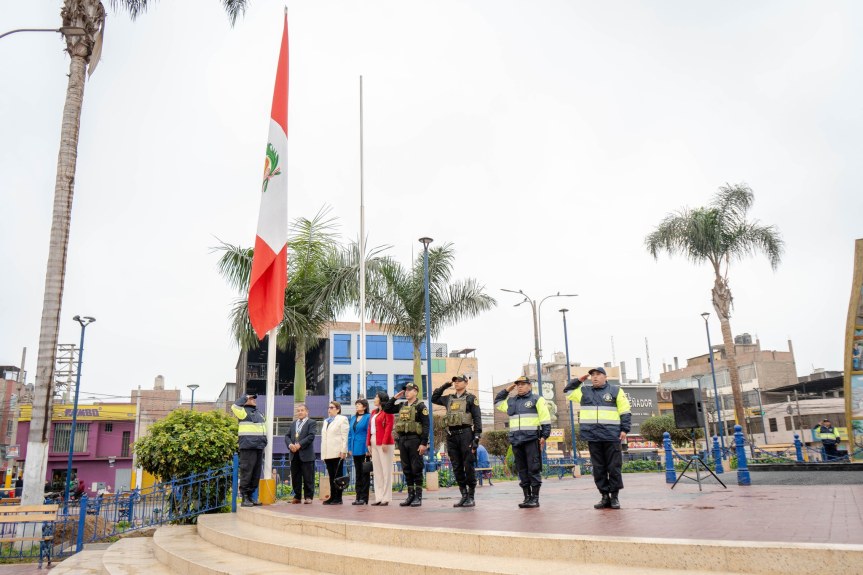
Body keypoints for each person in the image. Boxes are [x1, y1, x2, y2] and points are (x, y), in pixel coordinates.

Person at [564, 367, 631, 510]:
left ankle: (614, 497)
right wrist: (578, 380)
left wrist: (624, 429)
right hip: (593, 436)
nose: (595, 377)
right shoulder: (584, 391)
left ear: (605, 377)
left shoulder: (616, 391)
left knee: (614, 467)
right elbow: (567, 391)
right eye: (592, 375)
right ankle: (604, 496)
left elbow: (625, 411)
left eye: (598, 374)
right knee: (598, 469)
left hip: (611, 435)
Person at [494, 376, 551, 508]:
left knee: (533, 469)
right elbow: (497, 402)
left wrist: (544, 436)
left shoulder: (537, 399)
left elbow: (545, 418)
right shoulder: (511, 401)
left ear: (529, 386)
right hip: (516, 441)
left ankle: (535, 499)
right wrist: (508, 389)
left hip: (531, 439)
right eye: (518, 384)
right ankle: (527, 497)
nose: (520, 386)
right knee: (522, 470)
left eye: (523, 384)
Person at [432, 374, 482, 507]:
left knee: (468, 466)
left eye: (459, 381)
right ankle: (463, 495)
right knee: (456, 467)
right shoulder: (449, 398)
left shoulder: (471, 398)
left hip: (466, 434)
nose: (456, 383)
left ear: (466, 383)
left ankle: (471, 496)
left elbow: (477, 418)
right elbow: (434, 398)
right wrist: (446, 385)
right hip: (452, 436)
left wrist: (476, 437)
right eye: (455, 381)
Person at [384, 382, 429, 507]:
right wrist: (394, 398)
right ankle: (410, 495)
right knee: (406, 469)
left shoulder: (421, 407)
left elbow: (426, 426)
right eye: (406, 390)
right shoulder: (402, 405)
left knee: (416, 468)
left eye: (409, 390)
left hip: (415, 440)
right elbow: (387, 409)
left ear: (416, 391)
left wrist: (423, 443)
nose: (407, 392)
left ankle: (418, 497)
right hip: (403, 440)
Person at [231, 391, 267, 507]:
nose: (254, 400)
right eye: (251, 398)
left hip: (259, 446)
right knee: (247, 472)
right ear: (246, 400)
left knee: (256, 473)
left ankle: (251, 496)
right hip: (248, 446)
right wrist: (245, 397)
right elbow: (234, 406)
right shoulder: (242, 412)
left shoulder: (259, 413)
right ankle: (244, 498)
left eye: (254, 398)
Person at [285, 403, 317, 504]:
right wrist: (290, 445)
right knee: (295, 477)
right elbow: (287, 436)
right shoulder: (293, 423)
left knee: (308, 477)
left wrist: (299, 445)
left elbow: (311, 436)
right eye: (298, 411)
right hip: (294, 454)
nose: (300, 412)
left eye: (302, 410)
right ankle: (297, 496)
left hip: (306, 454)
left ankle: (308, 497)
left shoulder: (311, 422)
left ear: (307, 412)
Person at [367, 391, 395, 506]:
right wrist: (368, 443)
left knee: (386, 471)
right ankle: (378, 497)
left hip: (385, 442)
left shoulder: (388, 411)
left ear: (381, 399)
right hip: (373, 440)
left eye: (376, 397)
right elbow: (369, 428)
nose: (374, 399)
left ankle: (386, 497)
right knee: (377, 471)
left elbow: (389, 427)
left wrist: (384, 442)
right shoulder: (374, 412)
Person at [321, 401, 349, 505]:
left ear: (338, 409)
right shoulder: (326, 421)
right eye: (329, 407)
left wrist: (343, 450)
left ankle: (338, 498)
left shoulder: (342, 419)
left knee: (338, 476)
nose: (329, 409)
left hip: (337, 452)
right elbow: (324, 438)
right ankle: (332, 496)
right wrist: (323, 454)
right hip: (328, 452)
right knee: (331, 476)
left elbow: (344, 436)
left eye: (332, 407)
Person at [347, 398, 371, 505]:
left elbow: (369, 433)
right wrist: (349, 448)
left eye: (359, 404)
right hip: (355, 449)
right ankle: (358, 496)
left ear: (364, 407)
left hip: (363, 449)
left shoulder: (368, 417)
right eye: (356, 404)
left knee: (364, 474)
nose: (357, 406)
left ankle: (364, 498)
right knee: (358, 474)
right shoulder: (353, 418)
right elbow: (350, 434)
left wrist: (367, 448)